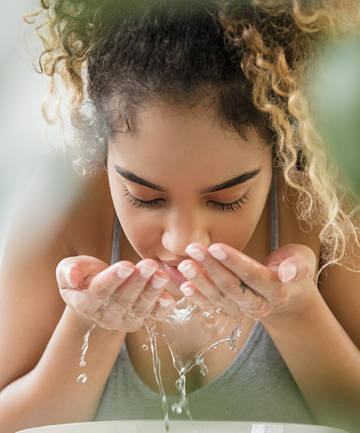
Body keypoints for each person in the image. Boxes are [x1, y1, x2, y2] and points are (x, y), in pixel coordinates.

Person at [1, 0, 360, 432]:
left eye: (227, 199)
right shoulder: (63, 207)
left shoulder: (325, 207)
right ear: (103, 151)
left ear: (278, 150)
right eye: (144, 197)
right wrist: (91, 325)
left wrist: (295, 312)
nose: (184, 241)